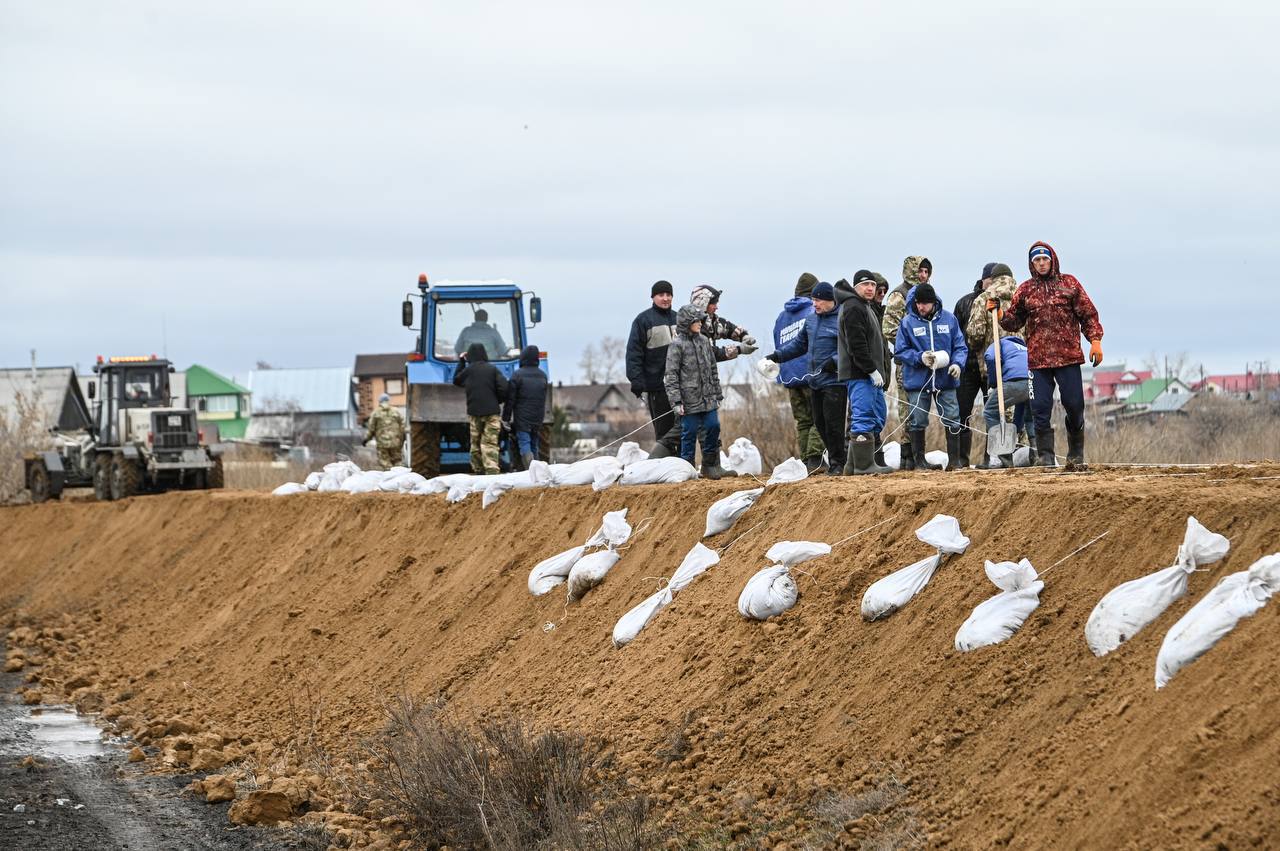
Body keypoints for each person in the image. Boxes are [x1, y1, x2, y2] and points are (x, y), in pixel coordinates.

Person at [1000, 241, 1104, 468]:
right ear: (1031, 264)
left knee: (1074, 405)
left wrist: (1095, 340)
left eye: (1044, 259)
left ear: (1052, 259)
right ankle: (1045, 455)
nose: (1041, 263)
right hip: (1038, 361)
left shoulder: (1070, 284)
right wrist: (999, 313)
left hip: (1068, 357)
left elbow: (1088, 315)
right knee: (1040, 408)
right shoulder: (1026, 290)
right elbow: (1012, 321)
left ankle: (1076, 453)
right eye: (1036, 260)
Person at [766, 281, 846, 475]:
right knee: (819, 423)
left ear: (830, 301)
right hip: (815, 381)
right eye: (814, 300)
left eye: (818, 300)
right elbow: (799, 345)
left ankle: (837, 463)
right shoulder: (811, 320)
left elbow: (848, 348)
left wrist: (835, 361)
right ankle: (837, 458)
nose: (815, 304)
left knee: (833, 424)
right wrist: (778, 355)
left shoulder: (842, 319)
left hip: (835, 382)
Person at [894, 282, 968, 470]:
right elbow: (900, 351)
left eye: (925, 303)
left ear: (933, 302)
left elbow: (960, 346)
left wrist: (957, 364)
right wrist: (919, 357)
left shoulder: (949, 320)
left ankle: (954, 461)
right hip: (918, 381)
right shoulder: (907, 322)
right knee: (918, 419)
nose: (921, 307)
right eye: (918, 303)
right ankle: (920, 462)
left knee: (952, 416)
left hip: (946, 379)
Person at [965, 263, 1031, 466]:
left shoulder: (985, 298)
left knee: (997, 410)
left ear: (992, 278)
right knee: (1023, 410)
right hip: (1024, 364)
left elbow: (974, 334)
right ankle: (1024, 455)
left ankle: (1002, 457)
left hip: (997, 365)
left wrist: (979, 349)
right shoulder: (1024, 297)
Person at [663, 305, 737, 480]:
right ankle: (686, 469)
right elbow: (671, 375)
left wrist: (717, 394)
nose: (699, 323)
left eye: (700, 320)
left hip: (709, 398)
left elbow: (712, 369)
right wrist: (676, 402)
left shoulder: (704, 341)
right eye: (696, 320)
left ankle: (710, 466)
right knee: (688, 433)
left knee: (713, 427)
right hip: (688, 401)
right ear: (686, 322)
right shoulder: (676, 345)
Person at [881, 256, 932, 470]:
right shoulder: (899, 295)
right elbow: (888, 328)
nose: (923, 275)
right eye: (920, 271)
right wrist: (913, 345)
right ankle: (907, 457)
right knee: (908, 409)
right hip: (907, 364)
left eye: (927, 271)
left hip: (928, 363)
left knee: (920, 410)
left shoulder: (928, 295)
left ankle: (916, 457)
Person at [838, 271, 891, 474]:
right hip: (860, 374)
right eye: (865, 285)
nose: (870, 288)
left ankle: (852, 465)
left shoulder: (864, 306)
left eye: (872, 284)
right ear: (855, 287)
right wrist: (871, 369)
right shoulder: (853, 307)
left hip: (870, 375)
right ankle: (863, 465)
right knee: (863, 417)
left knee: (877, 415)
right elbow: (856, 345)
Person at [772, 273, 825, 471]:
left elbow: (778, 343)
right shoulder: (813, 311)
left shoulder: (781, 317)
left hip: (789, 376)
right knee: (820, 417)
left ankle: (805, 460)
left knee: (803, 421)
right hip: (811, 373)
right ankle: (815, 457)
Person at [625, 281, 680, 457]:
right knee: (664, 430)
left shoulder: (679, 318)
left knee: (684, 430)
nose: (665, 298)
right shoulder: (643, 321)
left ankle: (684, 465)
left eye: (668, 295)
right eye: (661, 295)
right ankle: (664, 466)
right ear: (653, 297)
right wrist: (636, 381)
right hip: (658, 387)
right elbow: (634, 354)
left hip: (681, 386)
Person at [951, 262, 997, 469]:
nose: (993, 283)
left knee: (994, 413)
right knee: (962, 413)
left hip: (992, 368)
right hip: (968, 368)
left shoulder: (1003, 302)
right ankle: (961, 459)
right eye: (991, 279)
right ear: (983, 279)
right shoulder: (964, 303)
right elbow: (955, 334)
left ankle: (992, 457)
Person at [452, 343, 508, 475]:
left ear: (469, 356)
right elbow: (504, 388)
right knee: (490, 443)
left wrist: (461, 361)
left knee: (475, 444)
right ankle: (492, 471)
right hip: (492, 413)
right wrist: (497, 400)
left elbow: (456, 380)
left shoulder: (468, 370)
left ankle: (478, 471)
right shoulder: (493, 370)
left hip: (474, 413)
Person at [981, 332, 1033, 469]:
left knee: (989, 411)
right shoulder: (1024, 349)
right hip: (1033, 382)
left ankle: (1004, 458)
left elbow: (990, 357)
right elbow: (1020, 409)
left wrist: (993, 384)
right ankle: (1037, 455)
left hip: (1013, 382)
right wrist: (1015, 427)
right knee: (1030, 417)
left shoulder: (998, 344)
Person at [503, 345, 548, 469]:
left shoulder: (517, 375)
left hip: (522, 416)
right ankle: (538, 470)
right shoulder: (543, 375)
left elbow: (510, 400)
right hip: (538, 416)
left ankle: (530, 470)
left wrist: (505, 418)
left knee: (524, 442)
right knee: (534, 444)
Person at [689, 285, 756, 357]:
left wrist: (743, 336)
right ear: (703, 303)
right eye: (714, 303)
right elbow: (710, 353)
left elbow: (725, 327)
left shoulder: (708, 322)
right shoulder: (693, 327)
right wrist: (739, 350)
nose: (716, 307)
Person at [364, 393, 406, 470]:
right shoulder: (396, 411)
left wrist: (366, 440)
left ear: (379, 402)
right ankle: (399, 477)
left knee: (385, 462)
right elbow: (403, 426)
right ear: (388, 400)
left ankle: (389, 476)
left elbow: (371, 429)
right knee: (398, 461)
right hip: (396, 442)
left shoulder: (375, 413)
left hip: (382, 443)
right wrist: (403, 438)